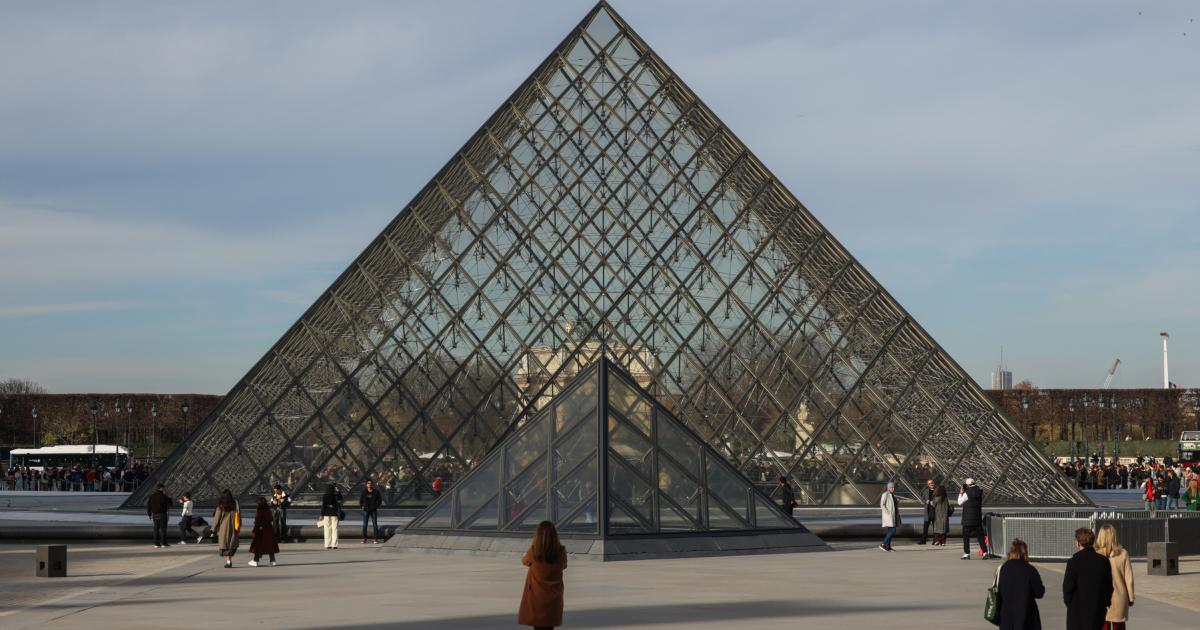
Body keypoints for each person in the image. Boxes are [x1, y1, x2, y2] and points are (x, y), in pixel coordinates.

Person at [518, 521, 568, 630]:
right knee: (550, 626)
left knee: (538, 626)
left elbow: (525, 561)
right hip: (554, 597)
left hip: (537, 597)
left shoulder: (534, 551)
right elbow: (564, 565)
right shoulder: (560, 551)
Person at [1063, 528, 1113, 630]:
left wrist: (1070, 604)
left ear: (1078, 543)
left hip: (1077, 611)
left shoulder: (1073, 562)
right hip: (1097, 610)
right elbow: (1108, 586)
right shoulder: (1103, 561)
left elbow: (1067, 588)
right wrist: (1105, 603)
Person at [997, 538, 1044, 630]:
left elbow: (999, 589)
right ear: (1024, 553)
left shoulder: (1003, 568)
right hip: (1026, 614)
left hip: (1006, 616)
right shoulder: (1030, 569)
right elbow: (1039, 593)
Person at [1094, 524, 1133, 629]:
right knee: (1119, 626)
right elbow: (1128, 579)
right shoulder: (1123, 553)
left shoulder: (1095, 555)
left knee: (1103, 625)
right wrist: (1131, 597)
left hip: (1101, 597)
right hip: (1119, 597)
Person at [958, 478, 988, 559]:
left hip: (967, 520)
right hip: (977, 518)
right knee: (980, 537)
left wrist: (960, 493)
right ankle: (985, 552)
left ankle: (967, 553)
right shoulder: (979, 491)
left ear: (968, 485)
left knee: (966, 538)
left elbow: (959, 502)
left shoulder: (967, 493)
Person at [213, 489, 241, 568]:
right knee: (231, 544)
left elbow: (216, 518)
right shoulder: (235, 504)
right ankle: (229, 560)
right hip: (233, 527)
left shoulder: (221, 506)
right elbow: (239, 515)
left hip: (223, 528)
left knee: (225, 544)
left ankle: (228, 561)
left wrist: (213, 529)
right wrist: (239, 525)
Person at [248, 496, 280, 567]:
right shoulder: (268, 511)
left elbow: (257, 522)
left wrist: (254, 531)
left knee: (257, 546)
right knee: (270, 546)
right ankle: (272, 560)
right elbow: (271, 519)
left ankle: (255, 560)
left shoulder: (259, 511)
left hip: (261, 531)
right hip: (269, 530)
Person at [147, 483, 171, 548]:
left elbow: (149, 506)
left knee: (156, 529)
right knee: (163, 529)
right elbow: (170, 503)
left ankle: (156, 543)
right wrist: (169, 497)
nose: (164, 489)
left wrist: (149, 514)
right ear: (161, 488)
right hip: (162, 514)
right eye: (164, 488)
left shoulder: (152, 496)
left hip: (154, 515)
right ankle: (164, 543)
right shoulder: (163, 496)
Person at [878, 480, 900, 552]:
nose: (893, 489)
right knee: (893, 531)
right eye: (891, 487)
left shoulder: (892, 495)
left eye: (893, 487)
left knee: (890, 531)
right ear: (888, 488)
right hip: (889, 516)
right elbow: (882, 504)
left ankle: (888, 546)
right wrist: (887, 512)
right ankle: (883, 544)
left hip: (893, 515)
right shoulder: (885, 494)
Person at [319, 484, 341, 549]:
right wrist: (338, 491)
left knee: (327, 529)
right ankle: (334, 545)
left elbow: (323, 506)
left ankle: (327, 544)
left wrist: (321, 515)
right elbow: (341, 498)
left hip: (326, 514)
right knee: (335, 529)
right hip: (334, 514)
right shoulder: (335, 496)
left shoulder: (325, 496)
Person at [360, 479, 383, 544]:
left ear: (372, 484)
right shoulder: (364, 492)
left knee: (375, 524)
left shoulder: (376, 492)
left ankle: (375, 539)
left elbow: (380, 500)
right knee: (365, 525)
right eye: (368, 483)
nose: (369, 484)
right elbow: (361, 500)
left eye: (370, 483)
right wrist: (362, 506)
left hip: (373, 510)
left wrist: (377, 506)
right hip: (366, 510)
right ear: (366, 484)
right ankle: (364, 539)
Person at [919, 478, 936, 545]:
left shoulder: (936, 490)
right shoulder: (925, 491)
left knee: (935, 527)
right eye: (929, 483)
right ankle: (923, 540)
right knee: (925, 527)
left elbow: (939, 499)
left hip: (934, 511)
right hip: (927, 511)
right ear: (927, 484)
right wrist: (925, 501)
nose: (931, 484)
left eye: (932, 483)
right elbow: (922, 499)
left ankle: (935, 540)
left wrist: (933, 503)